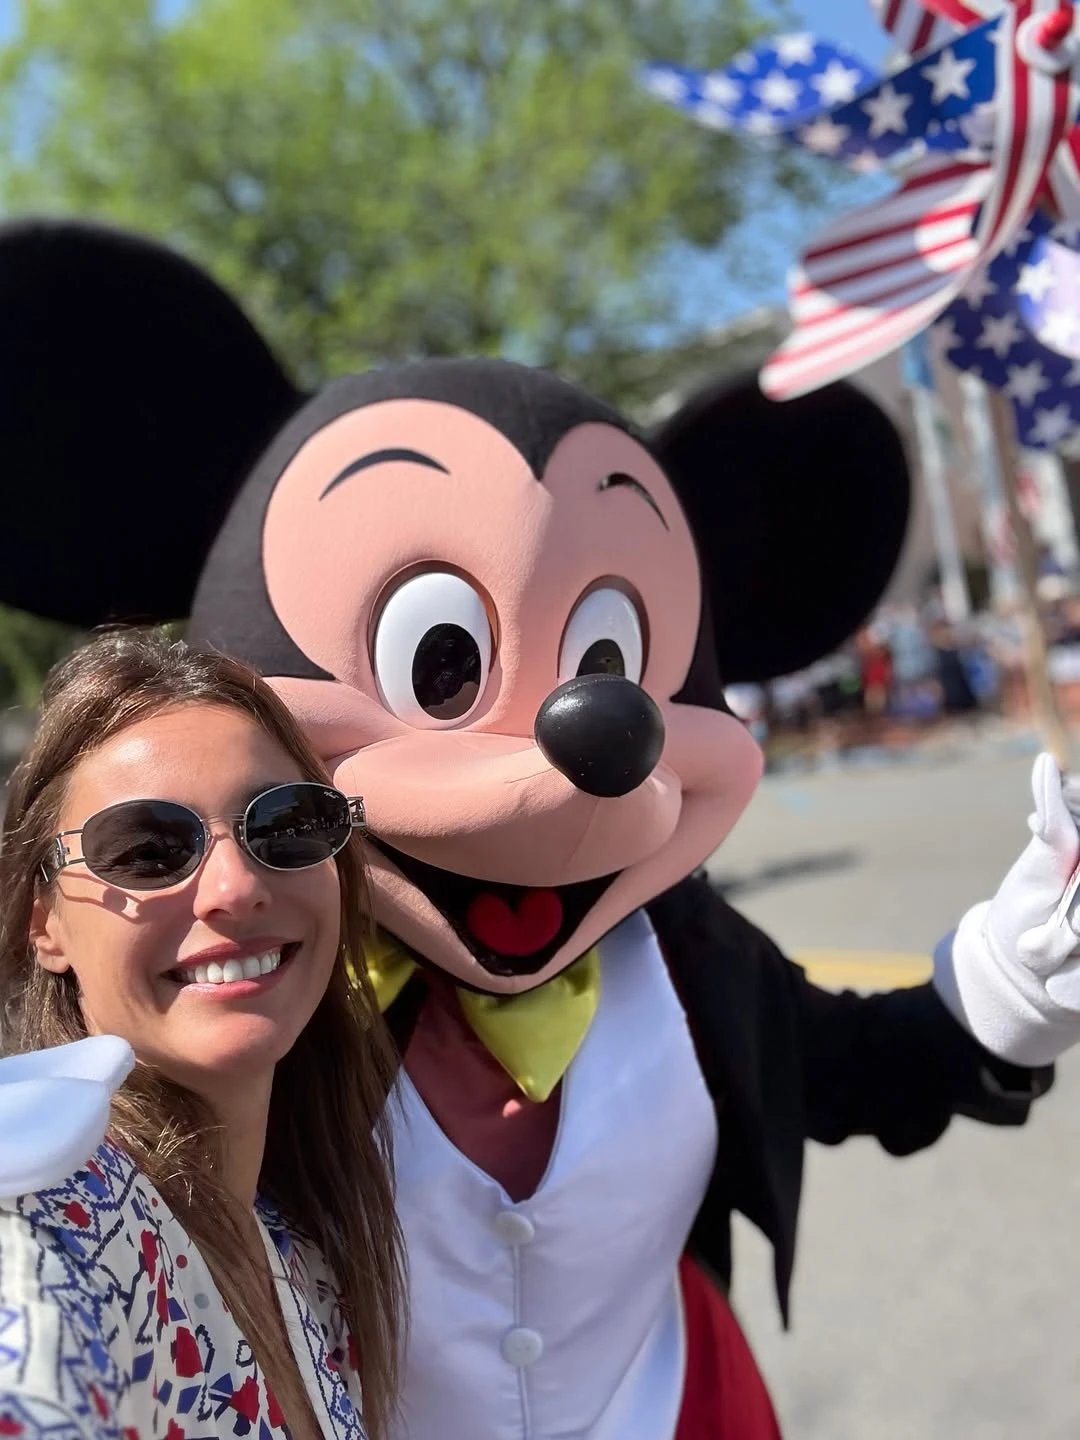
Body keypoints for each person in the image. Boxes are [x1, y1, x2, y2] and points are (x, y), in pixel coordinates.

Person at [0, 628, 405, 1439]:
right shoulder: (44, 1241)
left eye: (286, 824)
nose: (234, 886)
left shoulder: (304, 1250)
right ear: (44, 925)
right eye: (147, 850)